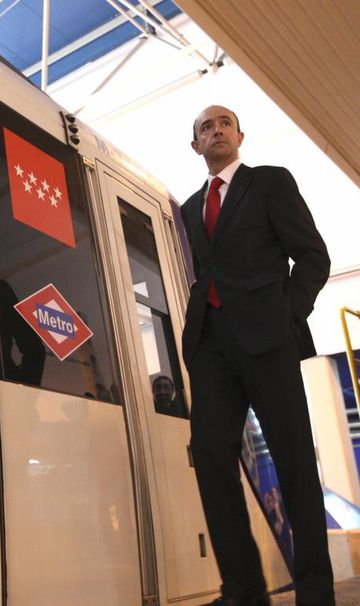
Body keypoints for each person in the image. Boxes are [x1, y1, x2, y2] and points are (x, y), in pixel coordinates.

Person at [180, 105, 333, 606]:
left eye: (224, 123)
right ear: (195, 145)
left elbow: (313, 255)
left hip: (269, 337)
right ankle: (243, 591)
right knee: (208, 454)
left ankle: (315, 592)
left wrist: (288, 314)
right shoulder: (187, 210)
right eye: (206, 127)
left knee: (293, 462)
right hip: (211, 347)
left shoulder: (269, 182)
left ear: (240, 135)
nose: (216, 130)